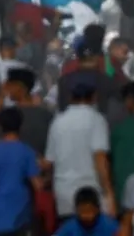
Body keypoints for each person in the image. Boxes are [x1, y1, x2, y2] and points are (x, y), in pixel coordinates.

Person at [47, 81, 113, 226]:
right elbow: (100, 158)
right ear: (94, 97)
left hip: (64, 194)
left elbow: (49, 161)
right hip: (91, 195)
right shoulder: (96, 119)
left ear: (71, 98)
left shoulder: (58, 122)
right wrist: (109, 193)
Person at [0, 106, 40, 236]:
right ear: (20, 126)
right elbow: (37, 184)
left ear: (0, 127)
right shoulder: (27, 151)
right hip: (21, 214)